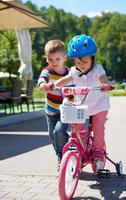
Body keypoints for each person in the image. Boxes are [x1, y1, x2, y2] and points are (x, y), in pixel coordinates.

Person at [54, 34, 111, 173]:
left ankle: (98, 151)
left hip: (99, 106)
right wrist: (54, 84)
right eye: (78, 63)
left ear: (93, 58)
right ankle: (81, 147)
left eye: (85, 62)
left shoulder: (98, 69)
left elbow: (103, 77)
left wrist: (105, 84)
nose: (81, 65)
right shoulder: (74, 71)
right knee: (78, 128)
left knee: (98, 128)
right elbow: (65, 79)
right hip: (83, 106)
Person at [38, 39, 71, 169]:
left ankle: (64, 155)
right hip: (51, 110)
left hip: (65, 111)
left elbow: (77, 84)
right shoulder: (47, 71)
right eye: (50, 60)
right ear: (47, 59)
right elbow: (41, 80)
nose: (54, 63)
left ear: (64, 58)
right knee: (52, 134)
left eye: (57, 59)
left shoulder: (70, 73)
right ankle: (60, 155)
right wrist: (43, 85)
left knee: (58, 131)